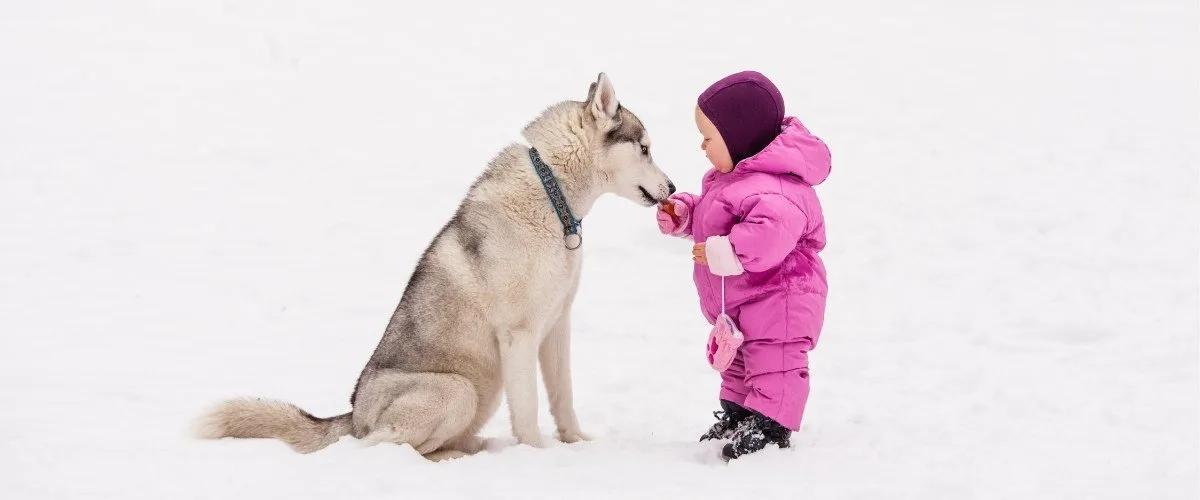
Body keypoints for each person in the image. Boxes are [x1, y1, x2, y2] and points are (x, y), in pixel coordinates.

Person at [657, 70, 832, 459]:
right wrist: (686, 214)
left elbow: (770, 235)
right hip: (742, 301)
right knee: (736, 360)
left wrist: (726, 250)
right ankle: (739, 413)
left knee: (774, 360)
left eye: (708, 137)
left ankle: (771, 424)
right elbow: (714, 215)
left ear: (738, 137)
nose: (702, 146)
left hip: (781, 298)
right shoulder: (732, 179)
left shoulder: (778, 186)